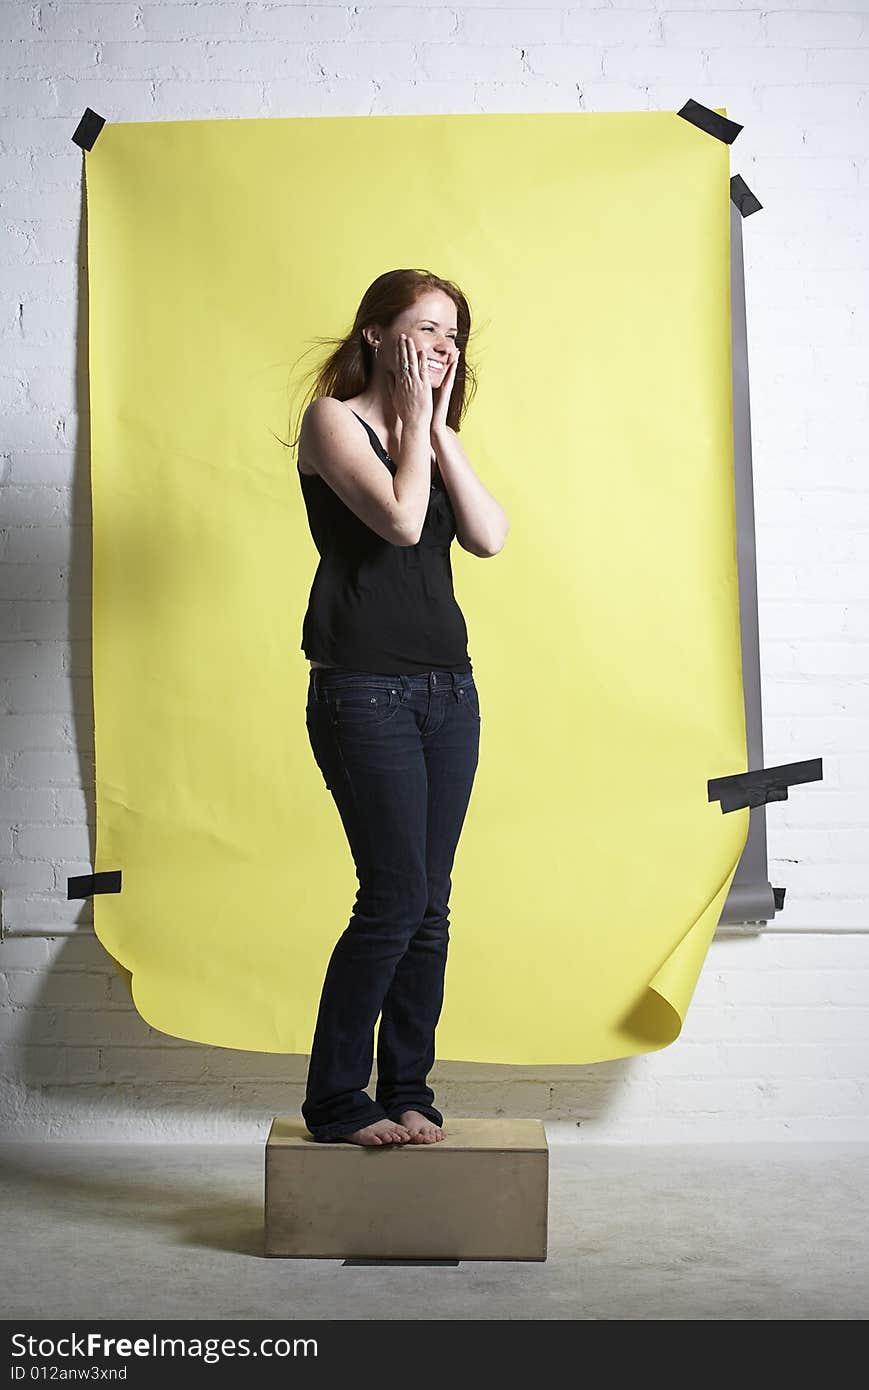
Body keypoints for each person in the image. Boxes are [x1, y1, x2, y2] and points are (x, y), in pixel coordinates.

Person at [291, 269, 509, 1147]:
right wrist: (416, 424)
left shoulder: (431, 432)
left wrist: (439, 424)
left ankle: (407, 1089)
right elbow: (401, 521)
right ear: (377, 335)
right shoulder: (330, 422)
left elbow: (489, 535)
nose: (441, 346)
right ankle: (339, 1100)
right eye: (424, 328)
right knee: (393, 896)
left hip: (447, 690)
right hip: (361, 689)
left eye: (453, 334)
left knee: (431, 903)